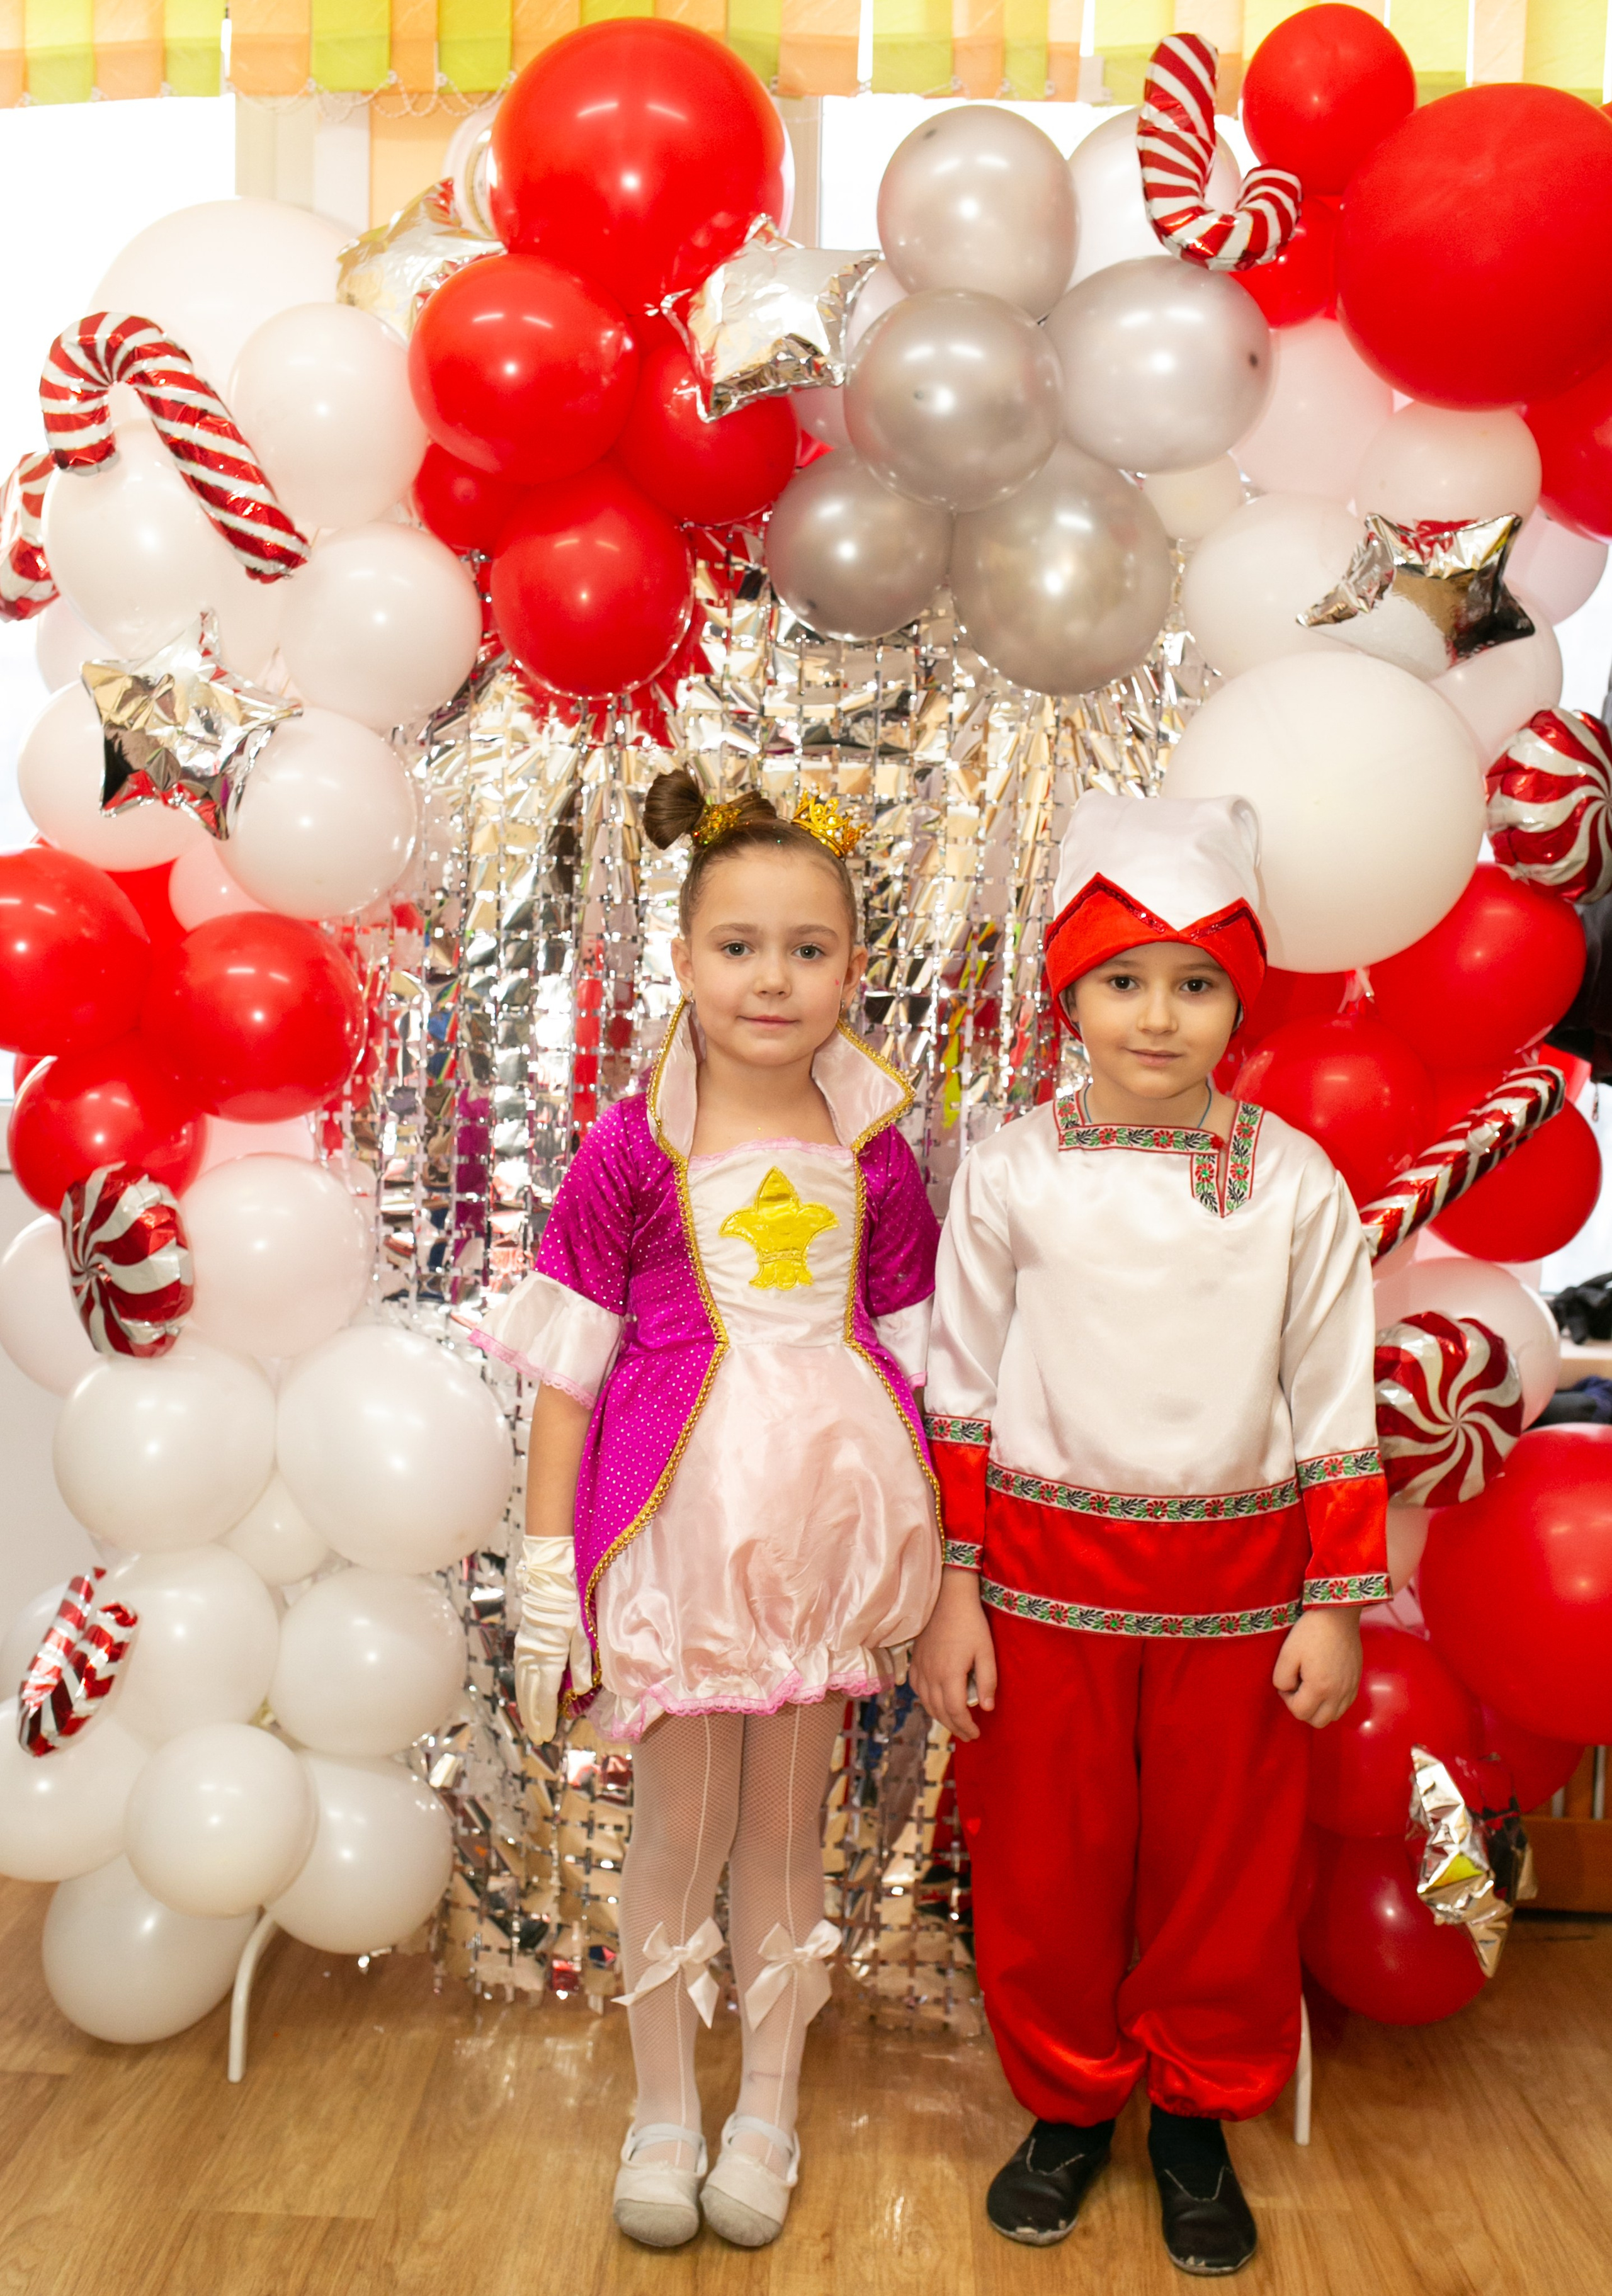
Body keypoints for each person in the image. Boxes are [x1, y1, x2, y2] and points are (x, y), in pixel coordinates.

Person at [911, 789, 1388, 2277]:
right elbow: (962, 1387)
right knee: (1047, 1860)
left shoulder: (1292, 1180)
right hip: (1041, 1589)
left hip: (1239, 1598)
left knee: (1223, 1871)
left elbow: (1328, 1394)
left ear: (1237, 999)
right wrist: (952, 1588)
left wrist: (1333, 1598)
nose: (1157, 1015)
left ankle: (1193, 2115)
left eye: (1194, 982)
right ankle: (1062, 2108)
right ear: (1069, 992)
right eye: (1122, 978)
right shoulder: (1008, 1171)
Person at [470, 771, 941, 2252]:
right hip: (674, 1533)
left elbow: (925, 1362)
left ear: (852, 969)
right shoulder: (628, 1150)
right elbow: (566, 1374)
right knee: (677, 1829)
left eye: (808, 948)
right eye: (737, 945)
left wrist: (952, 1562)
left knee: (787, 1837)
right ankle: (664, 2104)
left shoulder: (878, 1151)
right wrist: (547, 1566)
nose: (771, 977)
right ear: (680, 960)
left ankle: (769, 2107)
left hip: (827, 1536)